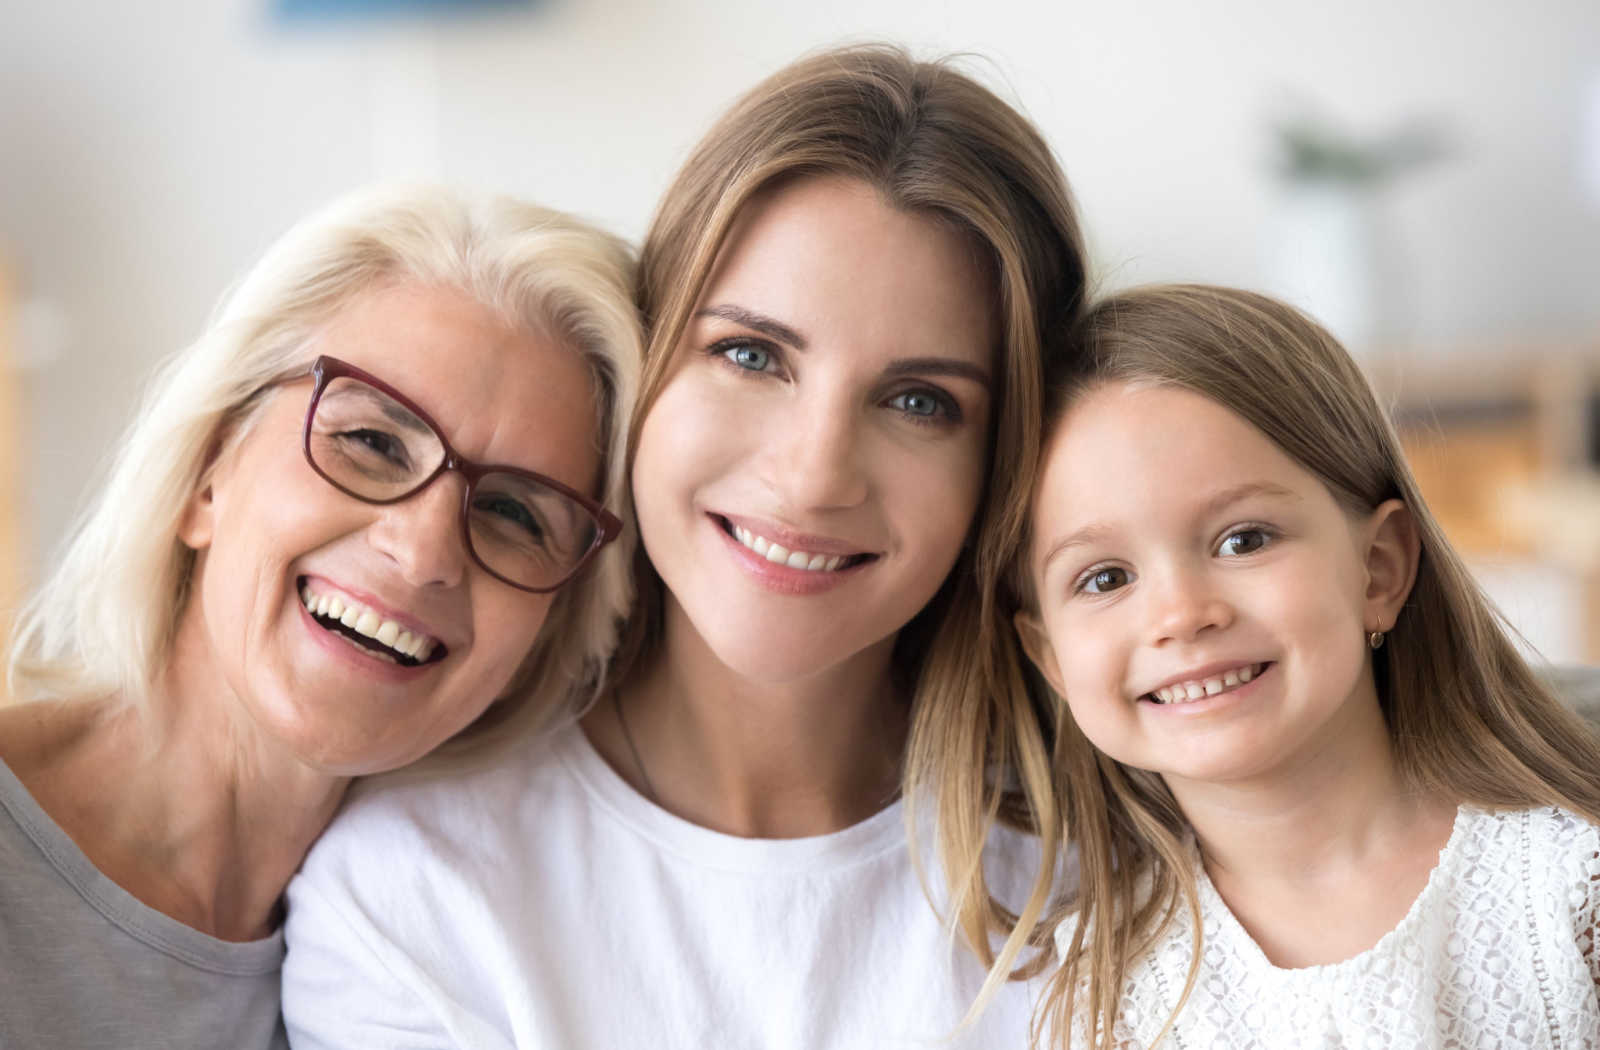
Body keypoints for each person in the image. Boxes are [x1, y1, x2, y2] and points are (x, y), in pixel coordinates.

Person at [282, 44, 1086, 1047]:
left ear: (1005, 462)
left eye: (920, 401)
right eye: (751, 354)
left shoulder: (1103, 875)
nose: (813, 475)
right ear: (646, 367)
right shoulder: (414, 894)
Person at [0, 187, 641, 1050]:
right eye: (372, 442)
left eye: (518, 514)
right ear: (208, 474)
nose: (423, 554)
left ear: (544, 639)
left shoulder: (460, 956)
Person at [1012, 284, 1600, 1048]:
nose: (1182, 614)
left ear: (1379, 570)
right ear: (1052, 658)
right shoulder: (1100, 993)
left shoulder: (1569, 891)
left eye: (1244, 540)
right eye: (1104, 579)